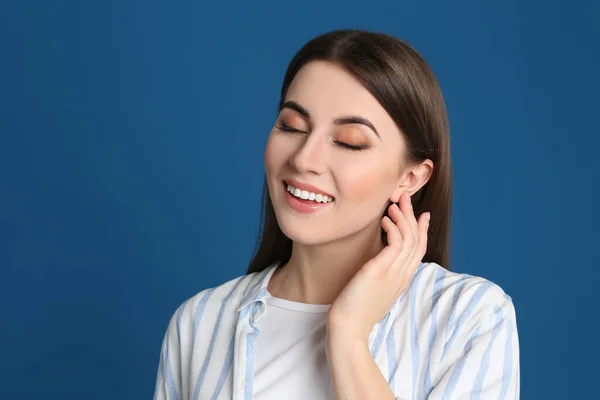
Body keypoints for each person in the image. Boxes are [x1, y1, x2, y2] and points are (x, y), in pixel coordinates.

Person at [153, 29, 520, 400]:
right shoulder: (199, 324)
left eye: (349, 142)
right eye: (291, 126)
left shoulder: (468, 318)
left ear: (410, 178)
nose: (304, 159)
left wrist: (348, 334)